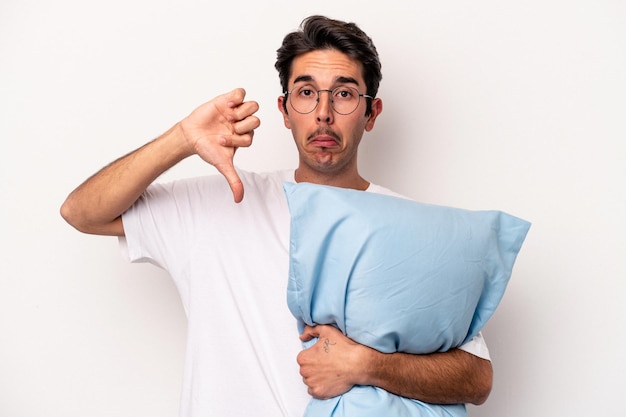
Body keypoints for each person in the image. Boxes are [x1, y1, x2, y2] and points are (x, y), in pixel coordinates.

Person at [61, 15, 493, 417]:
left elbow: (476, 378)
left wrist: (367, 364)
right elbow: (81, 212)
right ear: (285, 111)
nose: (323, 113)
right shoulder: (218, 203)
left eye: (344, 93)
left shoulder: (411, 229)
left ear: (371, 112)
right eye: (306, 93)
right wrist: (181, 140)